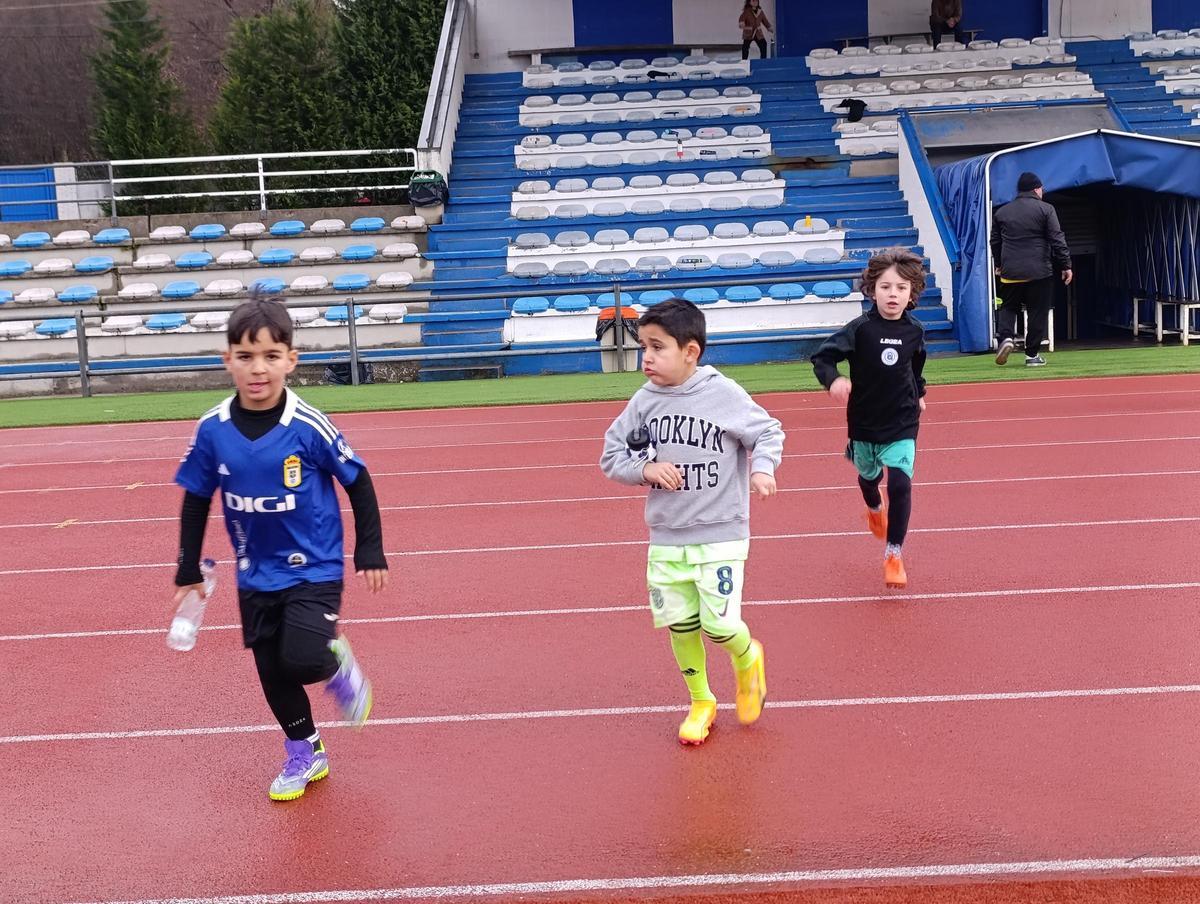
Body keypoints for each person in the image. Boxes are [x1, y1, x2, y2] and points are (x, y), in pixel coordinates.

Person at [173, 292, 388, 801]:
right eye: (245, 356)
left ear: (291, 360)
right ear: (227, 359)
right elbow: (196, 498)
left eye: (271, 356)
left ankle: (336, 663)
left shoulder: (307, 425)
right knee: (271, 669)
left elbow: (358, 481)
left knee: (302, 657)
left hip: (314, 566)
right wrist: (187, 568)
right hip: (255, 572)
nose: (258, 369)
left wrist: (370, 550)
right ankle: (305, 751)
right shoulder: (212, 429)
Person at [600, 298, 784, 747]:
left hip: (721, 533)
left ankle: (747, 657)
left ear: (690, 351)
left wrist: (762, 468)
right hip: (666, 536)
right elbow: (611, 456)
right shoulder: (643, 402)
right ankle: (701, 700)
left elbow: (767, 431)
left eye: (656, 347)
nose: (645, 357)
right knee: (680, 624)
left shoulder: (723, 393)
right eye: (643, 347)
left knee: (719, 626)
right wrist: (644, 469)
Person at [811, 249, 928, 589]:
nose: (893, 294)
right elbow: (823, 357)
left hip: (902, 421)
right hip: (864, 422)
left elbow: (915, 367)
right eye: (885, 287)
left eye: (901, 288)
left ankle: (894, 553)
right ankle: (874, 507)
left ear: (911, 293)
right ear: (872, 289)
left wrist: (919, 393)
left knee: (900, 484)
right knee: (868, 477)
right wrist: (833, 379)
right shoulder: (860, 329)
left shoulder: (915, 331)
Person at [991, 171, 1073, 367]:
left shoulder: (1002, 212)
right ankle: (1032, 355)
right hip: (1039, 271)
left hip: (1011, 271)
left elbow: (995, 241)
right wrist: (1066, 265)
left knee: (1008, 306)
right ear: (1037, 189)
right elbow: (1056, 238)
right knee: (1037, 311)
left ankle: (1006, 338)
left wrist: (999, 264)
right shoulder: (1046, 209)